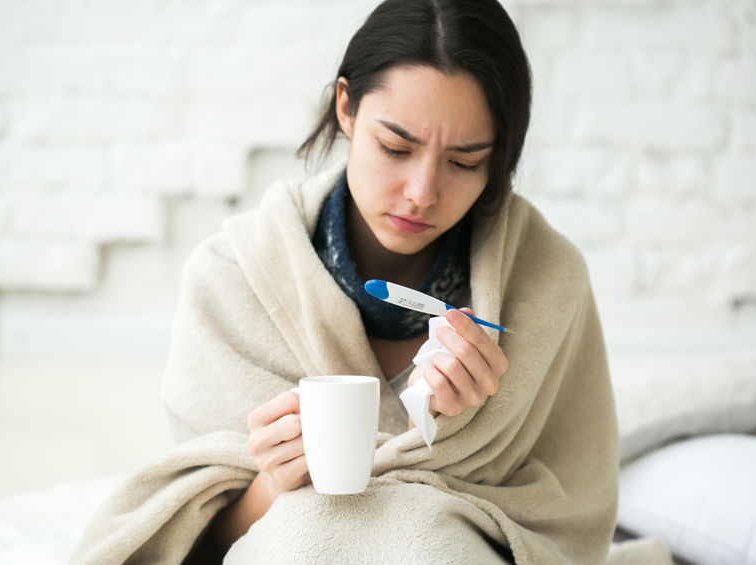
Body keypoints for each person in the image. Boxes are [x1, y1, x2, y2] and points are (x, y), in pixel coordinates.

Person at [71, 0, 619, 563]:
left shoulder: (546, 281)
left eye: (464, 161)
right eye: (395, 148)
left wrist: (453, 437)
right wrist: (273, 481)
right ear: (346, 108)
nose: (422, 192)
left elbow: (570, 523)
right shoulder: (232, 279)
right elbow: (199, 543)